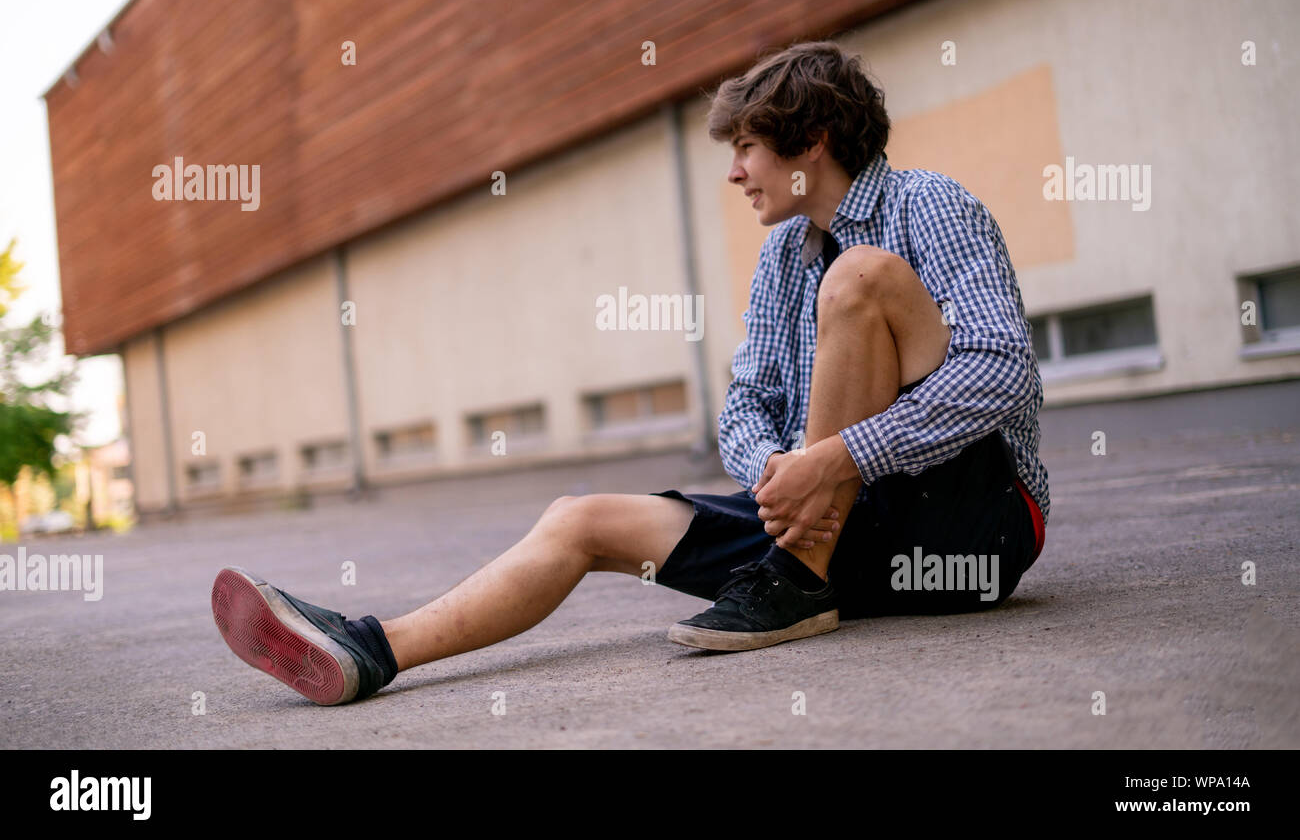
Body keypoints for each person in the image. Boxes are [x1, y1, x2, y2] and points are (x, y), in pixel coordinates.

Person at [211, 39, 1049, 706]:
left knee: (859, 277)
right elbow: (746, 404)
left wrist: (838, 458)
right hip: (825, 533)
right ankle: (371, 648)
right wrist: (776, 468)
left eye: (748, 147)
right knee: (579, 518)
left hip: (966, 529)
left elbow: (1002, 368)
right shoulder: (778, 257)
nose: (733, 172)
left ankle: (799, 579)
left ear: (813, 142)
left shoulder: (927, 205)